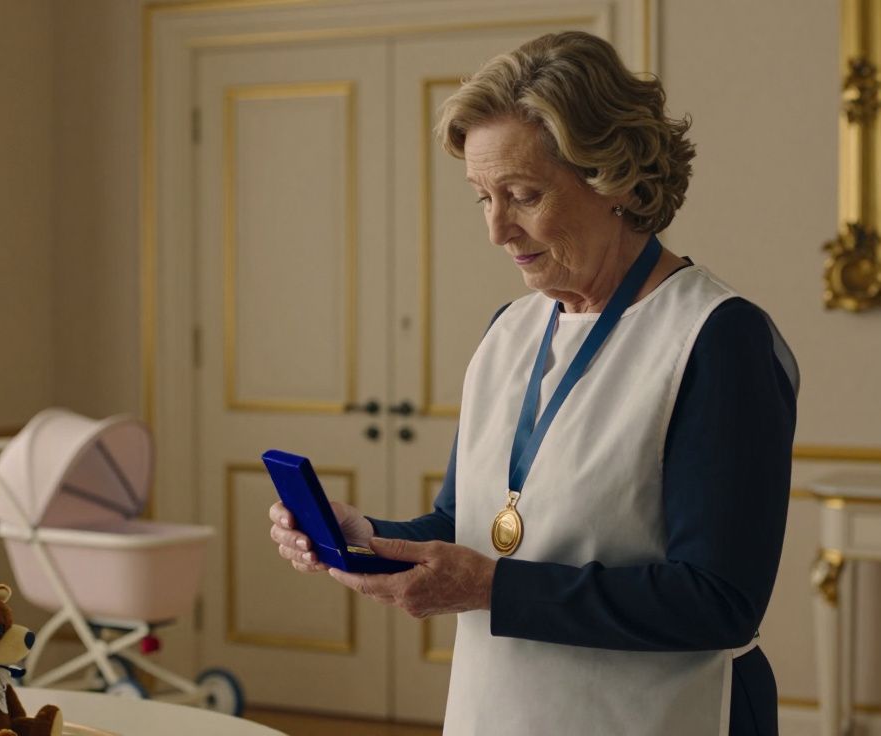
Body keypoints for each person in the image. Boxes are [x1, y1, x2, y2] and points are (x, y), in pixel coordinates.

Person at [267, 31, 798, 735]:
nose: (497, 229)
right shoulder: (510, 331)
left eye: (522, 194)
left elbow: (719, 598)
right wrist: (365, 537)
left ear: (617, 181)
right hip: (502, 711)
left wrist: (490, 587)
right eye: (481, 197)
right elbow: (473, 526)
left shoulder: (715, 338)